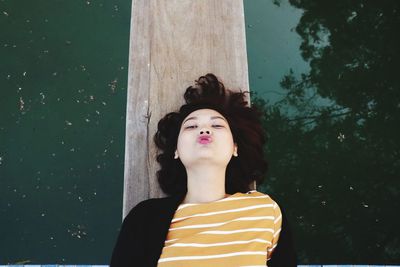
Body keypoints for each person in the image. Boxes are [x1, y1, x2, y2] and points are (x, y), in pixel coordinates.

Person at [110, 73, 297, 266]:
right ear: (176, 151)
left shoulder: (265, 210)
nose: (204, 130)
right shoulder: (145, 219)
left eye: (216, 125)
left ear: (235, 147)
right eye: (191, 126)